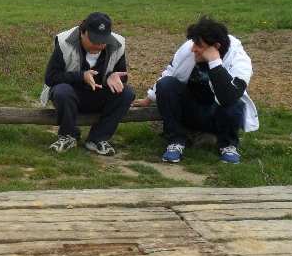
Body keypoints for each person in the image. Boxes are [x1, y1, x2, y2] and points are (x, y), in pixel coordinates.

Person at [134, 16, 258, 164]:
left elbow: (228, 97)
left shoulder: (239, 60)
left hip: (218, 114)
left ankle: (228, 144)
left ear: (216, 47)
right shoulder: (189, 48)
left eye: (198, 45)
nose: (193, 48)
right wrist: (149, 98)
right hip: (191, 109)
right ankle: (175, 141)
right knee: (166, 84)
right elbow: (170, 71)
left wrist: (215, 62)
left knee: (234, 101)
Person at [40, 12, 134, 155]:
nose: (99, 45)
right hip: (71, 95)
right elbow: (51, 77)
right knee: (61, 91)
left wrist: (112, 77)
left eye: (103, 41)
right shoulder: (64, 42)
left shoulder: (118, 44)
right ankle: (68, 136)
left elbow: (121, 77)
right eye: (94, 40)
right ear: (82, 32)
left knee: (127, 93)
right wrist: (81, 76)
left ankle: (97, 139)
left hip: (98, 95)